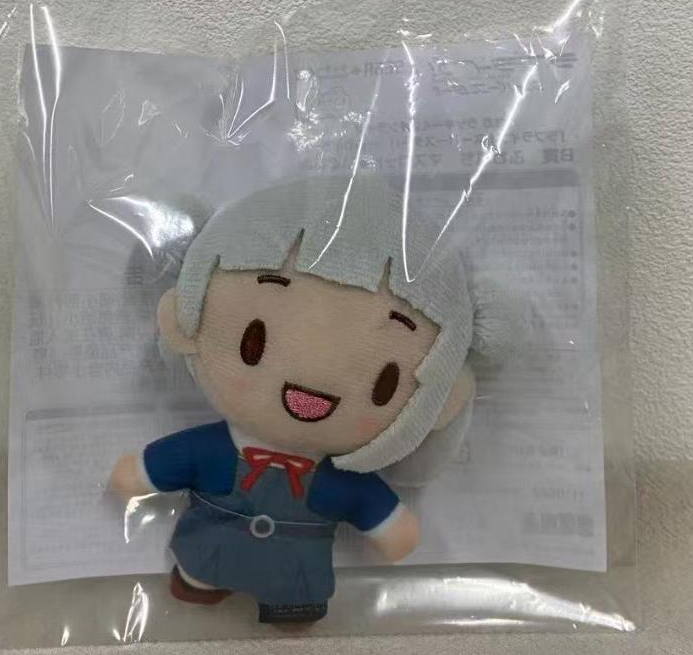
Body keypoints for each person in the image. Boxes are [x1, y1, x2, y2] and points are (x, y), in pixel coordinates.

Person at [109, 174, 511, 623]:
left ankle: (289, 607)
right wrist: (141, 474)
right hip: (207, 553)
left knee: (294, 597)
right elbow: (170, 461)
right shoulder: (212, 448)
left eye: (384, 382)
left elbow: (370, 505)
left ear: (440, 399)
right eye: (253, 344)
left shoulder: (337, 478)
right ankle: (198, 582)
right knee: (202, 567)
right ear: (184, 318)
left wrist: (391, 526)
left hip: (298, 575)